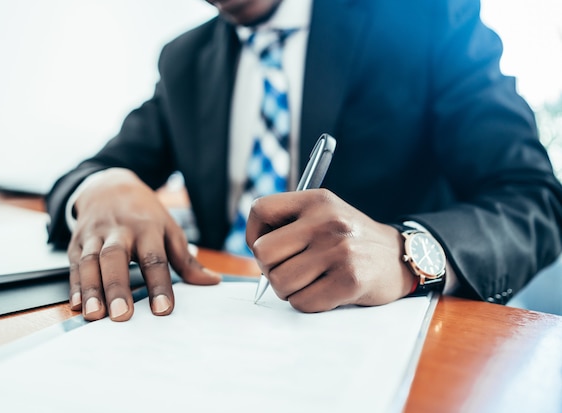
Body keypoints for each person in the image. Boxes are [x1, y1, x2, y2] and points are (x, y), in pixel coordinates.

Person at [45, 0, 562, 322]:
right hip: (210, 320)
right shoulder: (183, 59)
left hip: (373, 339)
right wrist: (103, 187)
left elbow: (532, 201)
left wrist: (407, 253)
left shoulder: (424, 14)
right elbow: (92, 171)